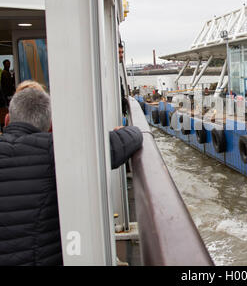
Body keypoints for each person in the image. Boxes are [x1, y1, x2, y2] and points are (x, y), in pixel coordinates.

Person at [0, 84, 143, 266]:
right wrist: (129, 130)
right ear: (51, 126)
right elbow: (126, 141)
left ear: (6, 121)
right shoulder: (55, 150)